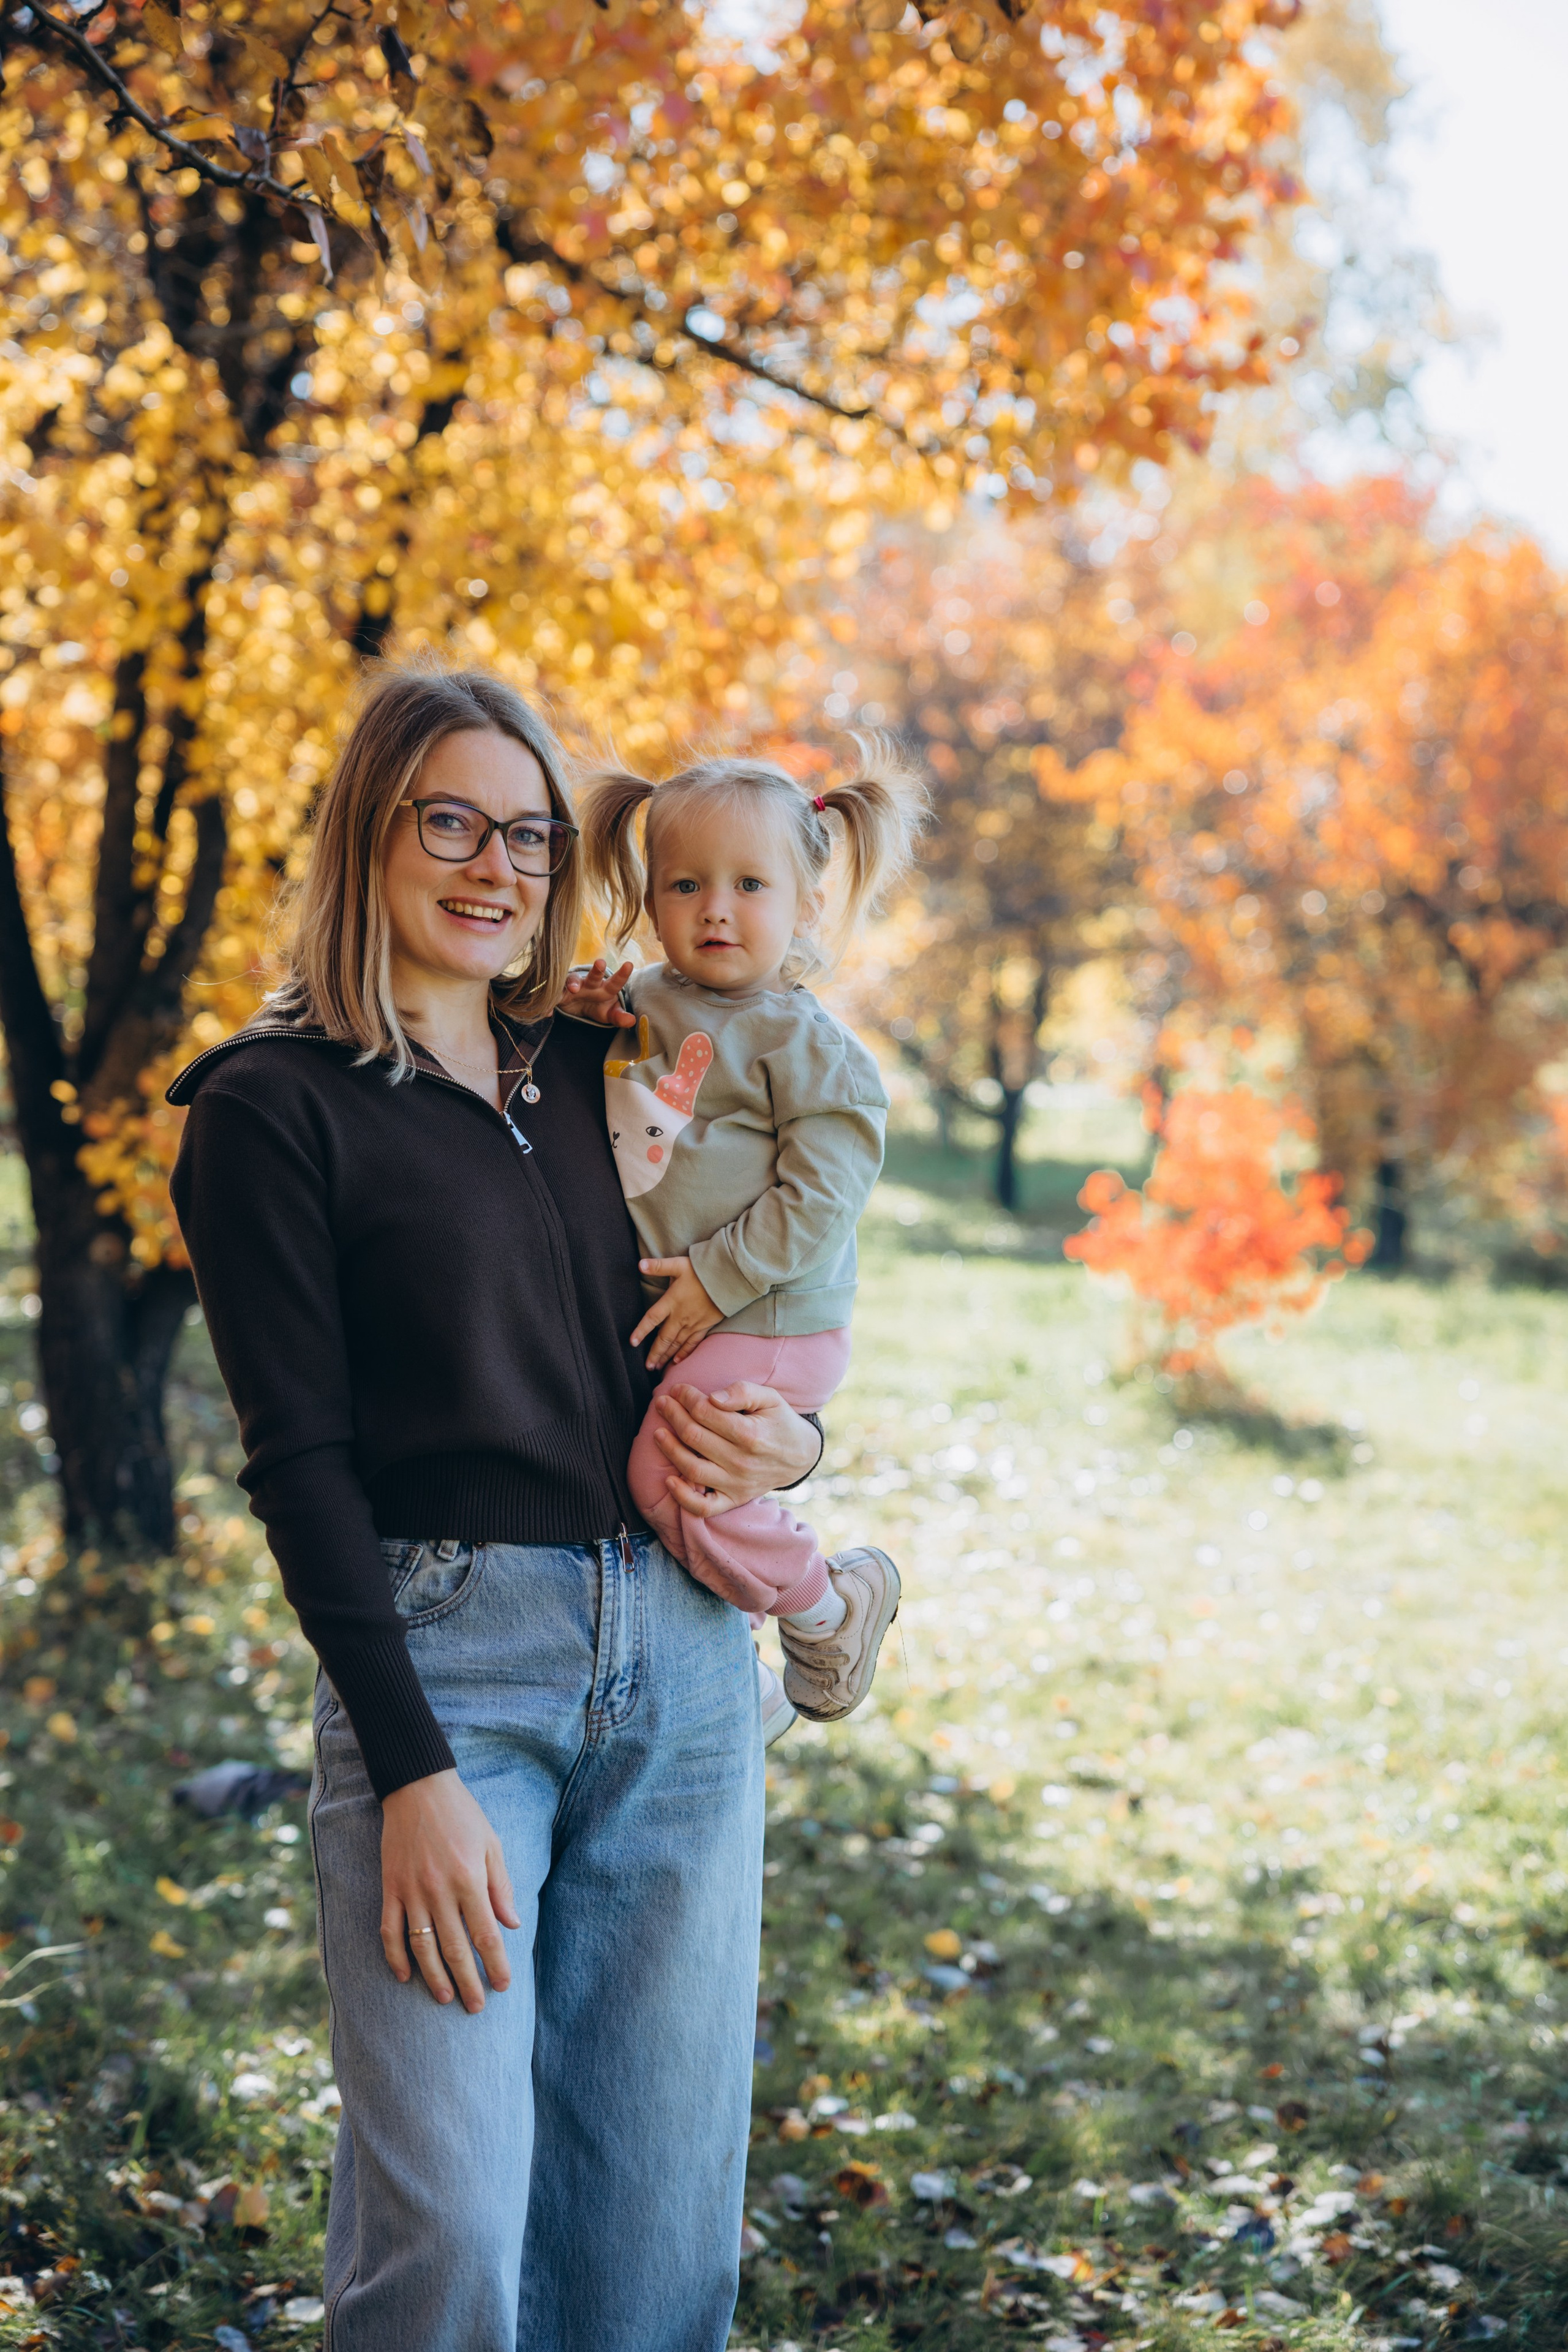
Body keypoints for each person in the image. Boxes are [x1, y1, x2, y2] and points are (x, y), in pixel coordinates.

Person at [165, 662, 824, 2352]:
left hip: (681, 1661)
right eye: (449, 821)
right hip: (455, 1674)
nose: (495, 867)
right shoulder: (270, 1109)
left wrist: (792, 1457)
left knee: (650, 2251)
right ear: (368, 833)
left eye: (528, 835)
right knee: (451, 2234)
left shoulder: (612, 1058)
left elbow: (756, 1280)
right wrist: (408, 1768)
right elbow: (297, 1464)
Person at [561, 745, 925, 1744]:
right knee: (677, 1477)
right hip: (714, 1310)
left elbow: (821, 1202)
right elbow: (636, 1079)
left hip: (768, 1312)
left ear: (807, 902)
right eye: (686, 884)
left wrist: (717, 1281)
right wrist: (596, 1019)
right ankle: (773, 1655)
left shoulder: (810, 1050)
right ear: (649, 896)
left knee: (673, 1478)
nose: (715, 909)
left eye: (749, 885)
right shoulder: (649, 998)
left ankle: (824, 1613)